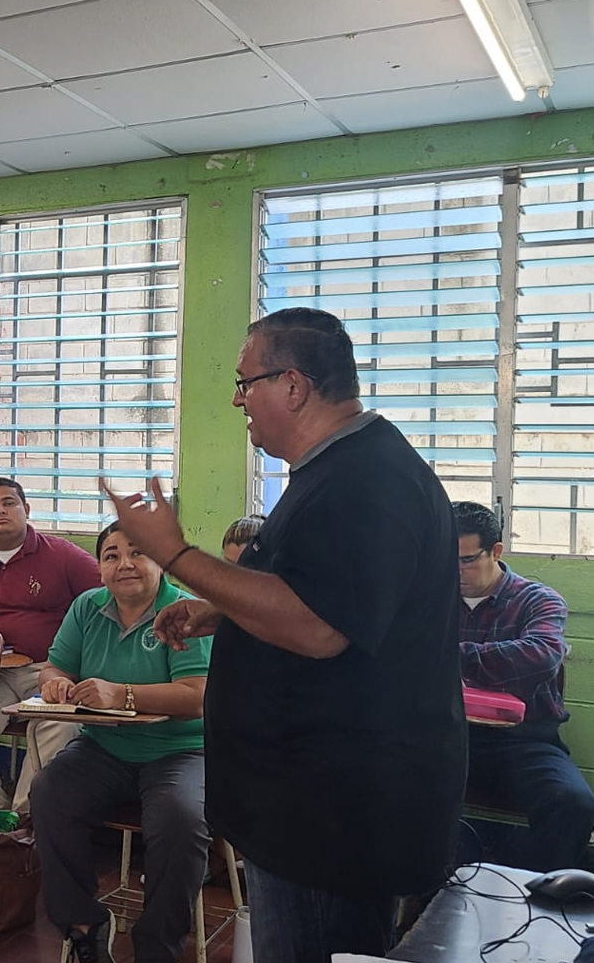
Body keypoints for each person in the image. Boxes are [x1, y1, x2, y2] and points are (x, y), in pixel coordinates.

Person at [106, 308, 464, 963]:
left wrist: (178, 555)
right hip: (310, 802)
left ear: (293, 386)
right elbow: (324, 592)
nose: (238, 399)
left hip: (332, 815)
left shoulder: (364, 480)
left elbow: (319, 626)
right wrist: (219, 610)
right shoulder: (335, 470)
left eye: (247, 383)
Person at [30, 522, 211, 963]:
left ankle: (157, 947)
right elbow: (55, 668)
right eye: (111, 555)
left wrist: (122, 693)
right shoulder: (88, 607)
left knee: (180, 818)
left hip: (180, 751)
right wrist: (54, 685)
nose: (124, 564)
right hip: (106, 747)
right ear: (99, 567)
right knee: (48, 792)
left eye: (138, 552)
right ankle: (85, 925)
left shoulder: (184, 611)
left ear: (160, 562)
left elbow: (197, 697)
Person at [0, 476, 102, 813]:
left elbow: (105, 597)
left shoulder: (62, 554)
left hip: (47, 669)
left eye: (9, 503)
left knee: (60, 722)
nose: (0, 511)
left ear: (26, 509)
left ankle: (24, 818)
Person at [453, 500, 594, 870]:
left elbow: (541, 656)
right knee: (380, 780)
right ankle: (428, 900)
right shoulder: (432, 602)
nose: (455, 571)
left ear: (496, 551)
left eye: (467, 559)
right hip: (450, 736)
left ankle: (533, 897)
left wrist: (448, 655)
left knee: (573, 804)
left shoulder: (538, 601)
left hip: (525, 743)